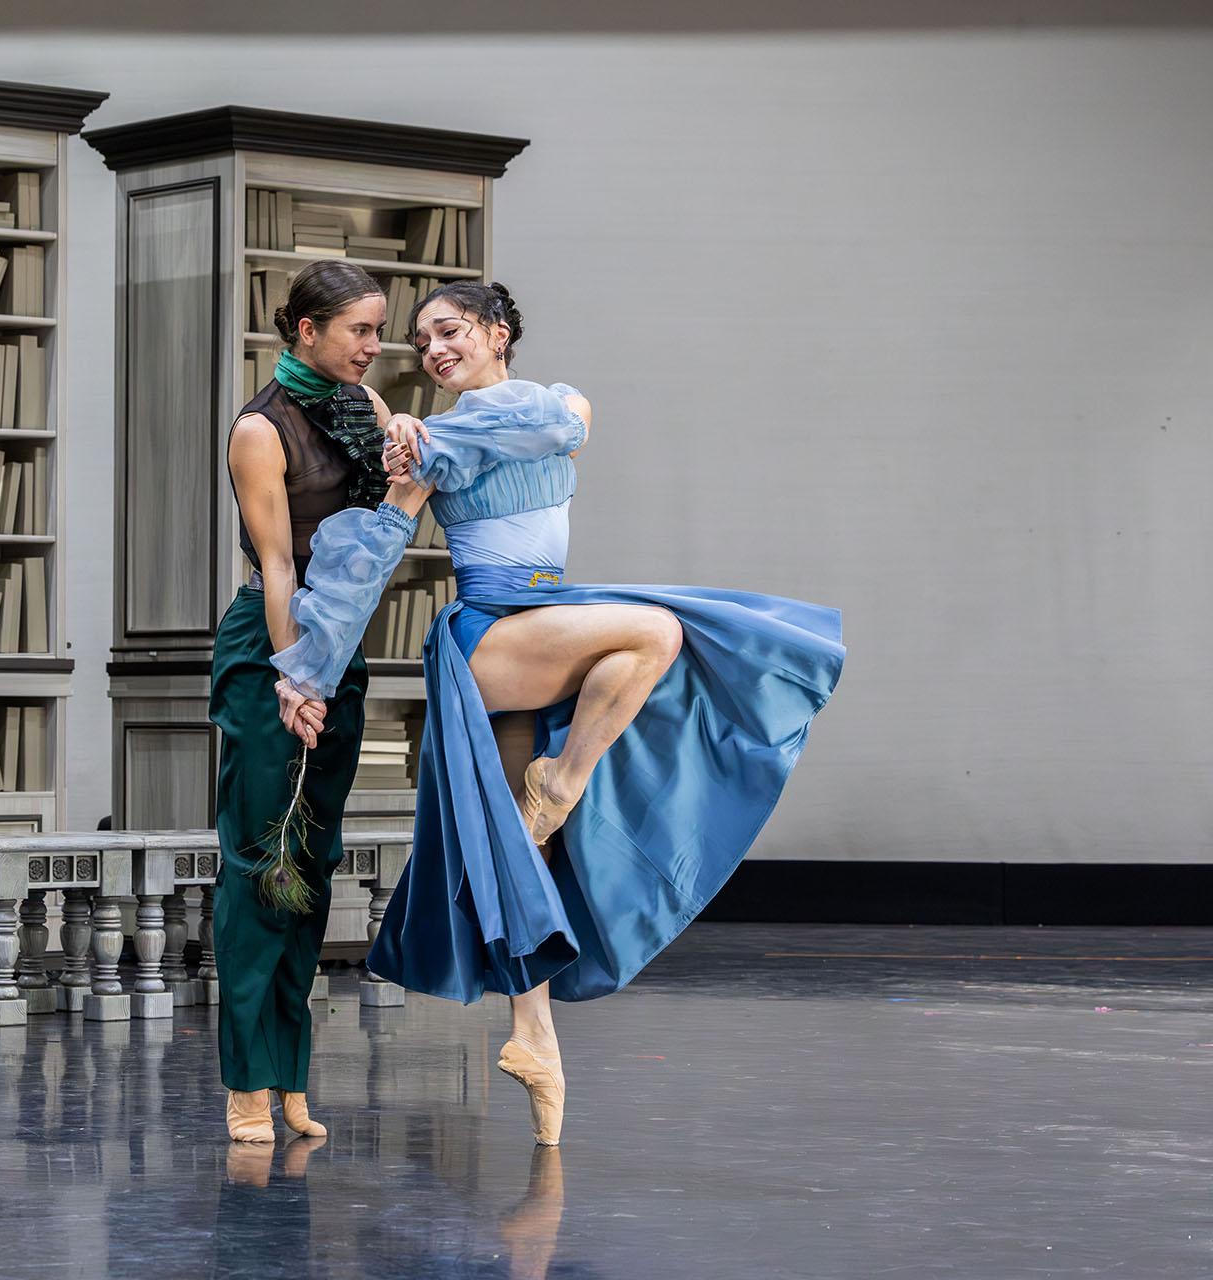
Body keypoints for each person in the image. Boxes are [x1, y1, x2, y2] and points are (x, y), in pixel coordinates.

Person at [270, 281, 845, 1148]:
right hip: (492, 633)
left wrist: (430, 437)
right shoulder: (428, 446)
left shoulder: (544, 409)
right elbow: (373, 556)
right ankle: (564, 781)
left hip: (547, 619)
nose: (431, 351)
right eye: (420, 342)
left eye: (449, 331)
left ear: (499, 334)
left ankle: (535, 1041)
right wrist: (307, 672)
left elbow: (553, 425)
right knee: (653, 629)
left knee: (519, 849)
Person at [211, 259, 428, 1144]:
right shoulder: (259, 430)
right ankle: (246, 1081)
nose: (377, 347)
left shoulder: (366, 410)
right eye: (361, 332)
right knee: (262, 860)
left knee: (315, 861)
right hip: (274, 644)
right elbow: (280, 569)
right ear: (306, 330)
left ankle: (292, 1074)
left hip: (339, 648)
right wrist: (296, 673)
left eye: (380, 330)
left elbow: (380, 537)